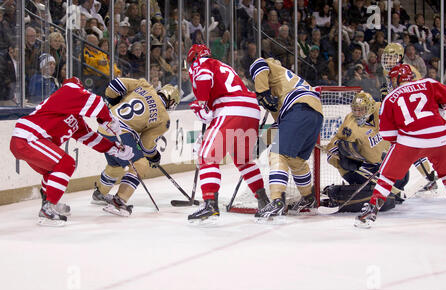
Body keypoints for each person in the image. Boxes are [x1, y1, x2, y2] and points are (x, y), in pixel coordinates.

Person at [9, 76, 133, 226]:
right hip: (29, 137)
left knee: (52, 171)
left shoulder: (74, 117)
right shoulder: (66, 91)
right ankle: (48, 209)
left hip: (31, 140)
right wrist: (110, 119)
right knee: (65, 163)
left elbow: (89, 137)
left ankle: (48, 204)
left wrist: (114, 149)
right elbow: (97, 103)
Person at [355, 64, 446, 228]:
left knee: (386, 176)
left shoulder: (390, 98)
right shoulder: (428, 83)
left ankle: (370, 212)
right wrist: (441, 110)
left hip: (411, 141)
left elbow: (389, 135)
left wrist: (404, 149)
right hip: (442, 136)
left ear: (396, 79)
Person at [186, 44, 269, 223]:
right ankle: (264, 201)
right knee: (244, 160)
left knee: (207, 156)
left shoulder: (201, 64)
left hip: (232, 109)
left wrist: (201, 102)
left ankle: (210, 204)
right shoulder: (223, 65)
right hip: (251, 109)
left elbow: (204, 77)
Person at [92, 78, 180, 216]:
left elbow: (115, 85)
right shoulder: (163, 119)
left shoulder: (145, 85)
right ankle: (119, 201)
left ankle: (100, 193)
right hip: (120, 132)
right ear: (171, 102)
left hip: (104, 126)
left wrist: (113, 103)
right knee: (140, 165)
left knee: (115, 165)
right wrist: (154, 157)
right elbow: (146, 146)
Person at [249, 57, 323, 219]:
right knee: (295, 160)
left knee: (277, 153)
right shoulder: (284, 89)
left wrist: (262, 93)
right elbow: (281, 127)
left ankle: (276, 201)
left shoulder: (270, 68)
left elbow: (258, 64)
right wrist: (261, 144)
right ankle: (309, 198)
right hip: (315, 112)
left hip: (299, 107)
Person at [325, 91, 409, 209]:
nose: (357, 113)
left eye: (361, 110)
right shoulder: (350, 126)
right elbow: (335, 144)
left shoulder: (380, 110)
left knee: (402, 173)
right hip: (360, 169)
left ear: (370, 108)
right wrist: (340, 160)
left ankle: (393, 190)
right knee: (381, 194)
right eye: (355, 109)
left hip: (378, 162)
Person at [380, 42, 438, 189]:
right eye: (386, 57)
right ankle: (428, 177)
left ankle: (429, 177)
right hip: (402, 111)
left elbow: (416, 92)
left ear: (399, 57)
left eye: (391, 57)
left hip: (412, 113)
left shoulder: (409, 70)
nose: (387, 60)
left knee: (412, 146)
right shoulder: (388, 71)